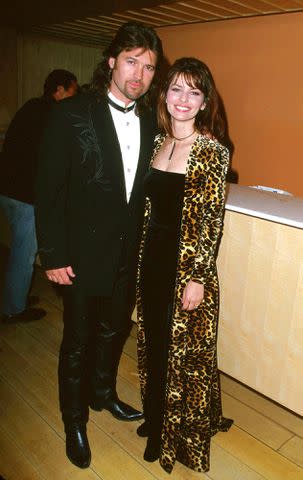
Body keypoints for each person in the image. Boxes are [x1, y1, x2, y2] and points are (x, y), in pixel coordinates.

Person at [35, 22, 163, 469]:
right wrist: (52, 254)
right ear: (111, 61)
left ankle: (103, 393)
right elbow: (49, 189)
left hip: (128, 254)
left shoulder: (151, 119)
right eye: (132, 61)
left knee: (114, 330)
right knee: (77, 340)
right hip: (82, 254)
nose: (139, 74)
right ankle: (74, 421)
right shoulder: (71, 113)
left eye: (149, 67)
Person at [136, 57, 233, 473]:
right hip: (152, 262)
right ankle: (156, 413)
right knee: (154, 343)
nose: (184, 99)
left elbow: (212, 220)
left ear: (204, 101)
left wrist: (197, 278)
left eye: (194, 92)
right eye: (177, 88)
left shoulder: (212, 151)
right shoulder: (158, 142)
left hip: (187, 267)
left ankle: (169, 431)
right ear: (164, 94)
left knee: (183, 354)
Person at [0, 69, 78, 324]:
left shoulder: (31, 106)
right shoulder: (54, 114)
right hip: (24, 195)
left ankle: (15, 296)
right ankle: (13, 309)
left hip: (7, 189)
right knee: (24, 254)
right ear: (58, 90)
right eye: (71, 91)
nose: (73, 97)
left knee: (17, 250)